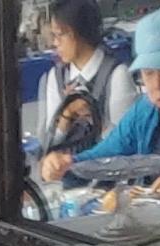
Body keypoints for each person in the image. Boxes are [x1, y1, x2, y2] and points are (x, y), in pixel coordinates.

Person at [38, 5, 160, 200]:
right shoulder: (145, 113)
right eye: (148, 73)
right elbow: (104, 157)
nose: (157, 85)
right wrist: (65, 165)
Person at [33, 0, 134, 153]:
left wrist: (94, 117)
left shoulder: (116, 75)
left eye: (60, 35)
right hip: (65, 166)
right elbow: (48, 143)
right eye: (53, 35)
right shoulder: (57, 76)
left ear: (80, 33)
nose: (55, 43)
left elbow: (125, 143)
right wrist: (67, 113)